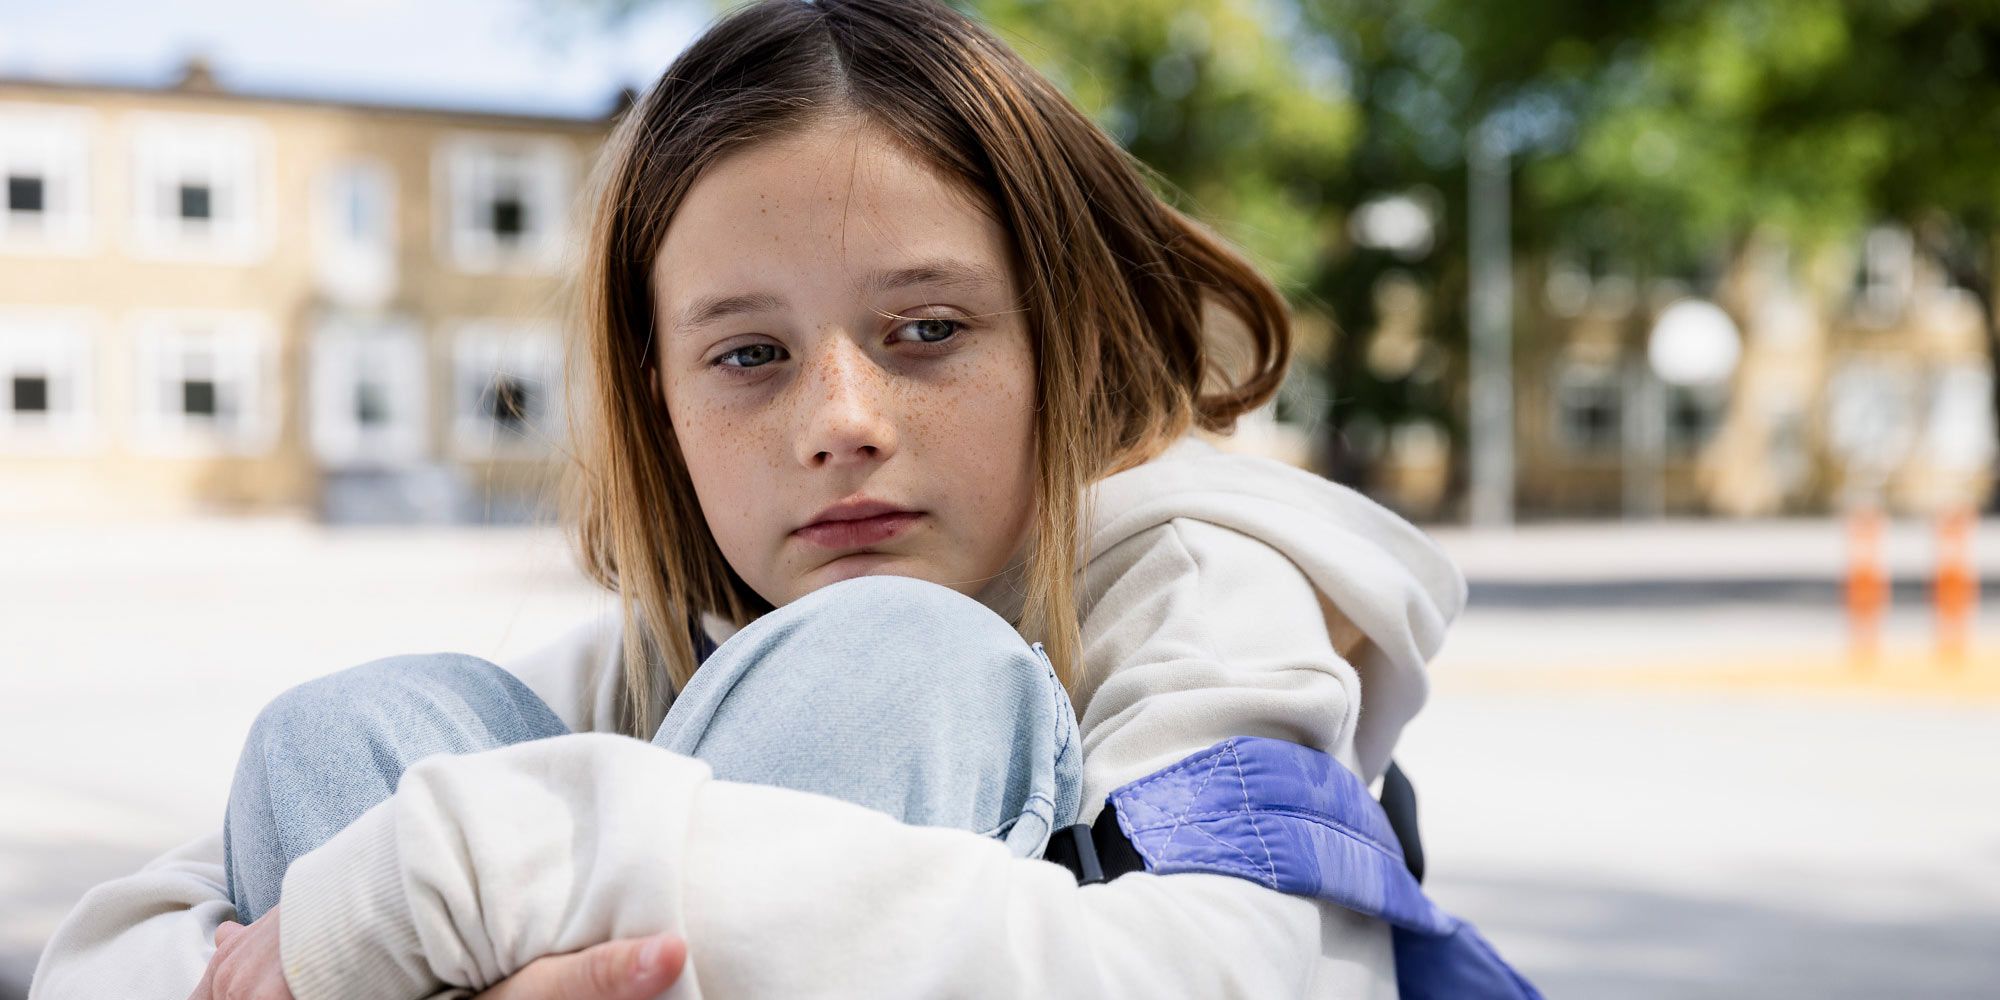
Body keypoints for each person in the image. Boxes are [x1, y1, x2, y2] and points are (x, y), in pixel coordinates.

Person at [27, 0, 1468, 997]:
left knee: (900, 659)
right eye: (750, 355)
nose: (839, 422)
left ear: (1064, 337)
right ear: (661, 399)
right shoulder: (673, 646)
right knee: (344, 736)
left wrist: (497, 869)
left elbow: (1241, 978)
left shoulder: (1203, 594)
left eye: (927, 331)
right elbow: (118, 955)